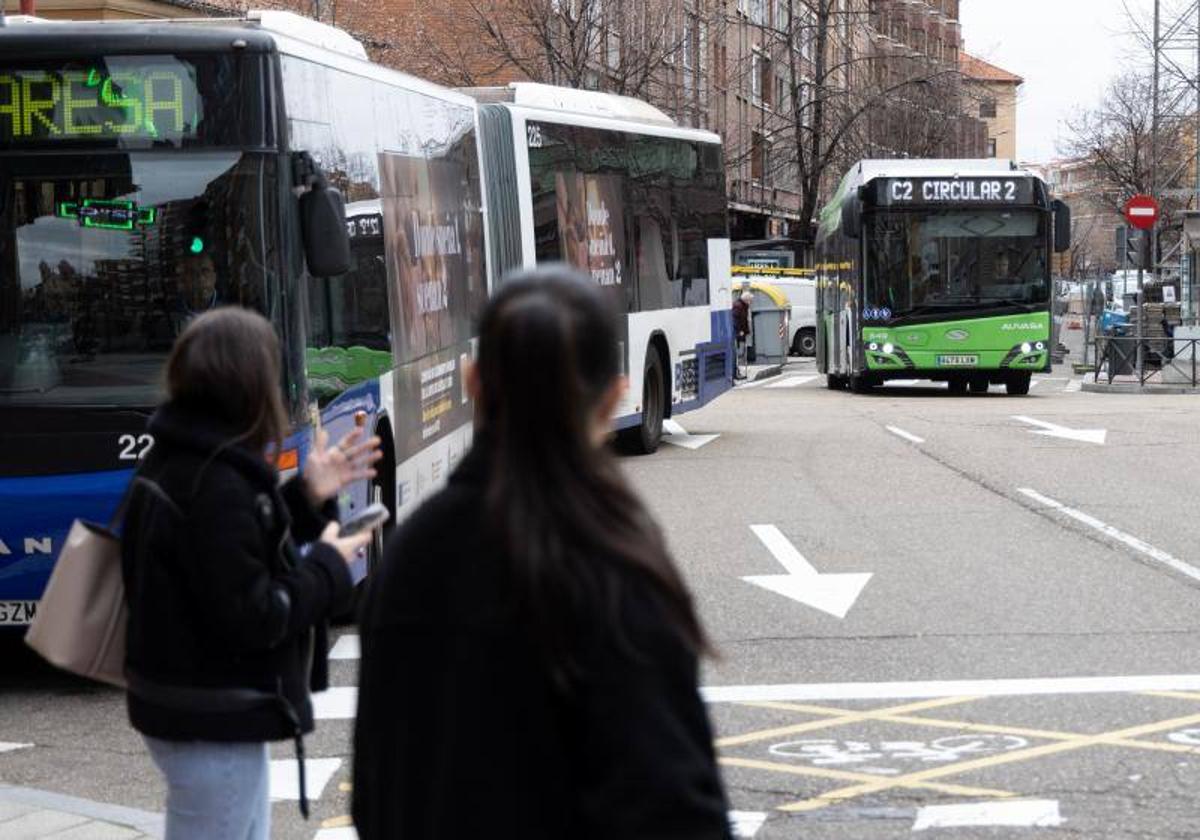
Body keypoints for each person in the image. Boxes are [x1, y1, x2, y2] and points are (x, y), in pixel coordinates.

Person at [353, 268, 731, 840]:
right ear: (611, 400)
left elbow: (377, 795)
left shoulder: (410, 555)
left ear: (472, 381)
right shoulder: (616, 560)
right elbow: (677, 809)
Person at [121, 307, 383, 840]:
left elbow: (227, 552)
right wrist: (330, 568)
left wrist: (307, 497)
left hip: (195, 710)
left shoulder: (184, 459)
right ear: (248, 386)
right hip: (212, 717)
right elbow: (255, 613)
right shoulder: (214, 481)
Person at [733, 288, 752, 379]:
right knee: (737, 353)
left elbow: (744, 320)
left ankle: (737, 372)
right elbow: (735, 320)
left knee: (739, 353)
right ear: (746, 300)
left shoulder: (743, 306)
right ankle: (736, 372)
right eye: (750, 300)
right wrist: (739, 331)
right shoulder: (738, 306)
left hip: (741, 333)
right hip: (738, 333)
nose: (751, 302)